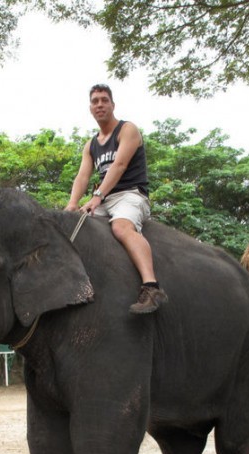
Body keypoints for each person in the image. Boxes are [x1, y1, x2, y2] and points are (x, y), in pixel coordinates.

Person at [65, 83, 167, 314]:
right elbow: (82, 176)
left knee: (121, 228)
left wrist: (97, 197)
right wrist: (72, 204)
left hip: (130, 194)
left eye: (104, 100)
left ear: (113, 105)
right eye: (95, 101)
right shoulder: (91, 145)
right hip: (103, 199)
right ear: (90, 108)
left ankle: (151, 286)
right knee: (73, 227)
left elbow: (119, 165)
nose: (99, 104)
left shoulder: (127, 129)